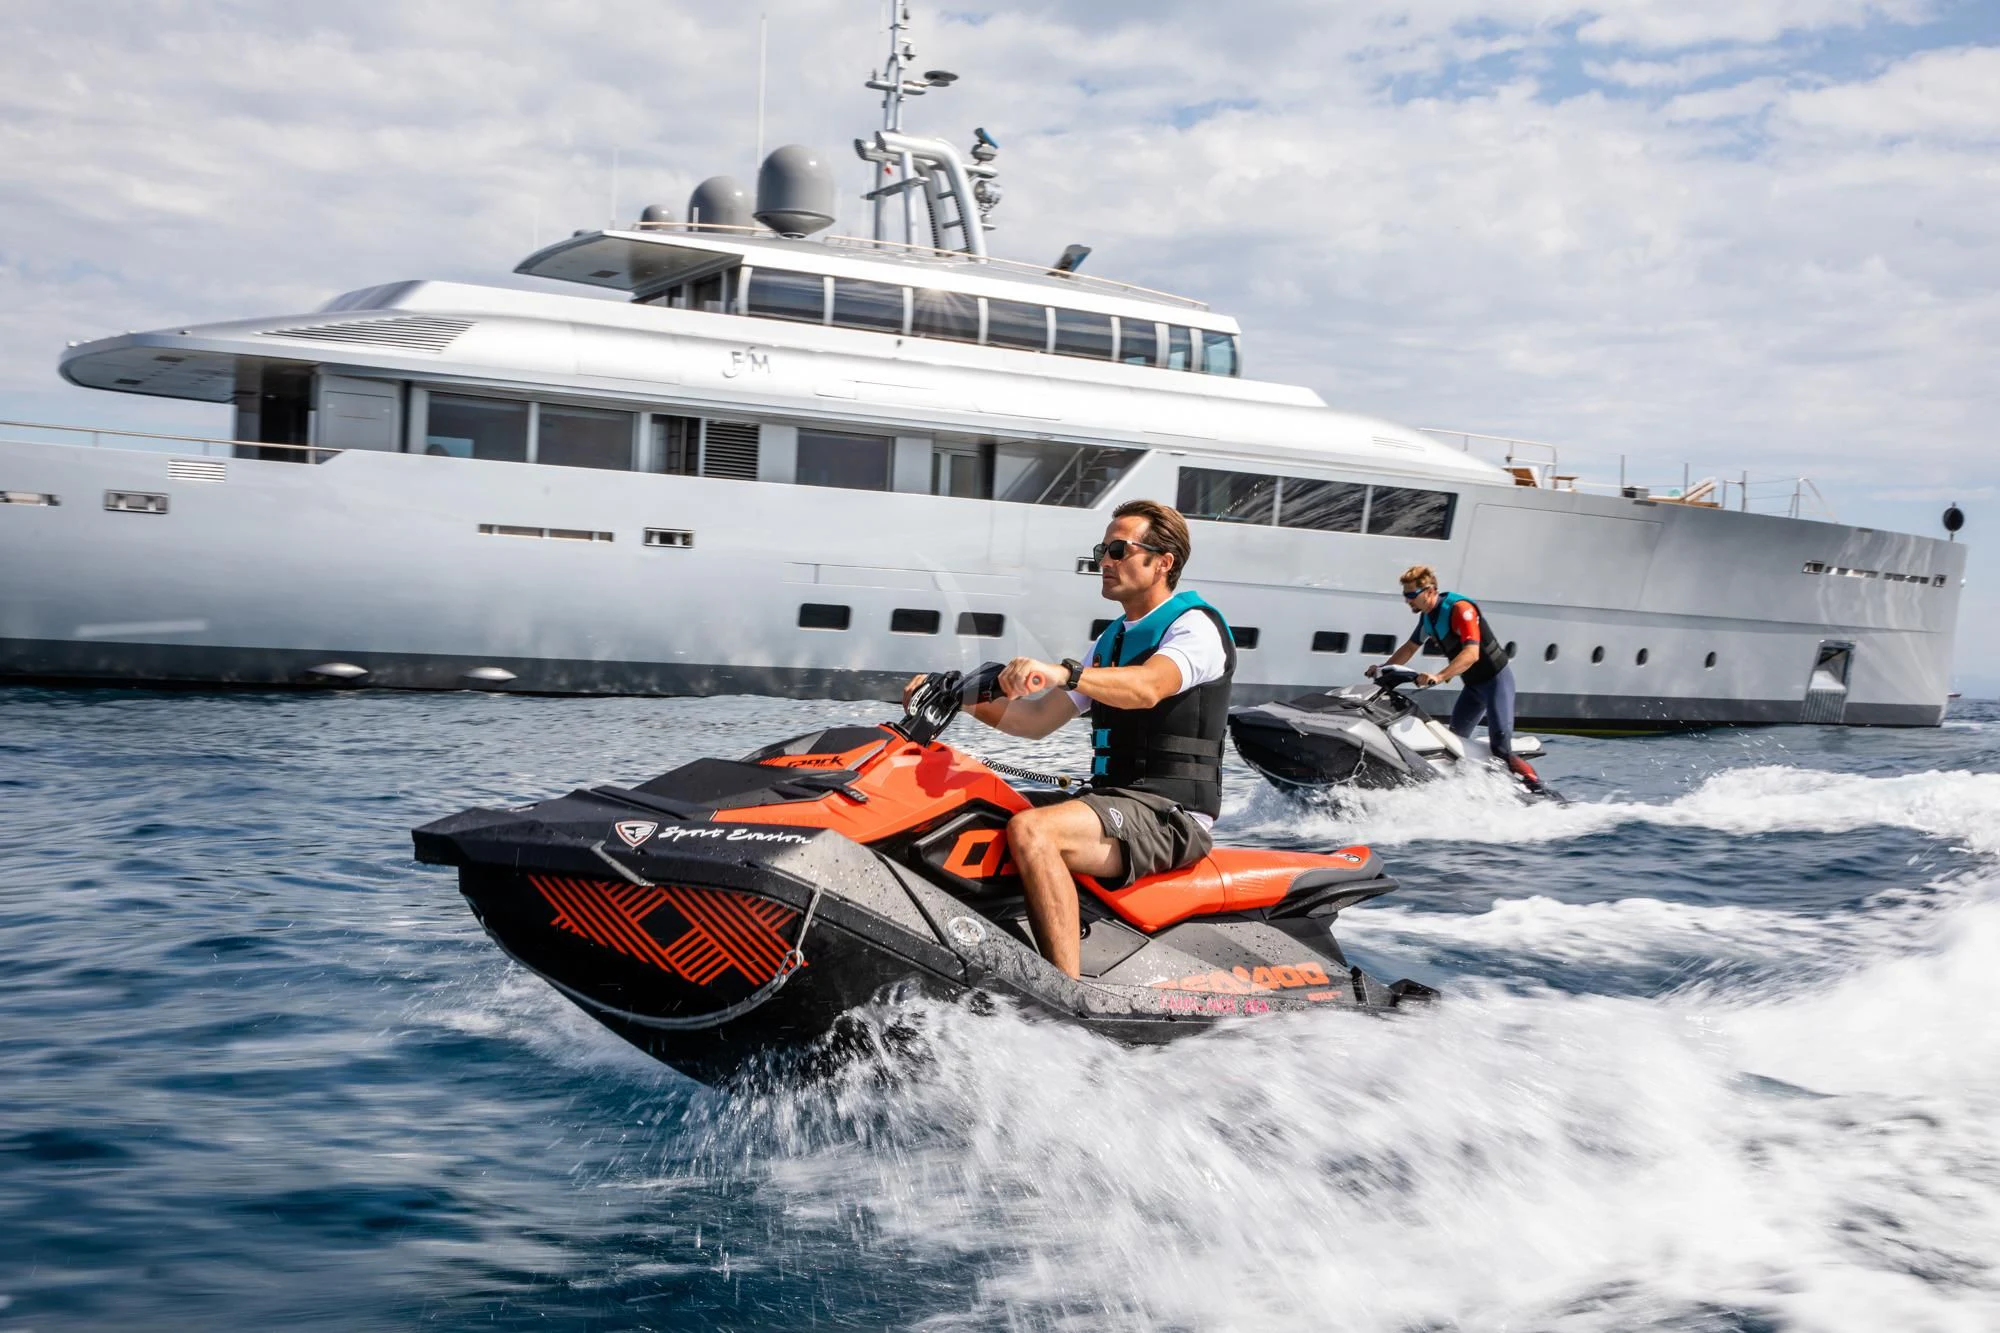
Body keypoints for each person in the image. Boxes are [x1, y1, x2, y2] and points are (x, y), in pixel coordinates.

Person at [905, 499, 1234, 979]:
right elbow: (1032, 722)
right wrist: (956, 694)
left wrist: (1066, 673)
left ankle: (1064, 993)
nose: (1105, 560)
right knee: (967, 810)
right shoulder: (1111, 640)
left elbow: (1147, 688)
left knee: (1034, 830)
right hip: (1114, 803)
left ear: (1164, 562)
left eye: (1119, 549)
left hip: (1172, 817)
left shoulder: (1195, 627)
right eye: (1104, 549)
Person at [1368, 565, 1544, 793]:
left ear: (1430, 591)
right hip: (1473, 688)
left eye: (1411, 595)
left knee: (1500, 747)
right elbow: (1410, 647)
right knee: (1454, 745)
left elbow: (1472, 654)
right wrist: (1382, 669)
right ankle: (1471, 790)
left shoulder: (1460, 609)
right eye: (1405, 595)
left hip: (1496, 683)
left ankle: (1542, 792)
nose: (1407, 601)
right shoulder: (1427, 618)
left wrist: (1439, 676)